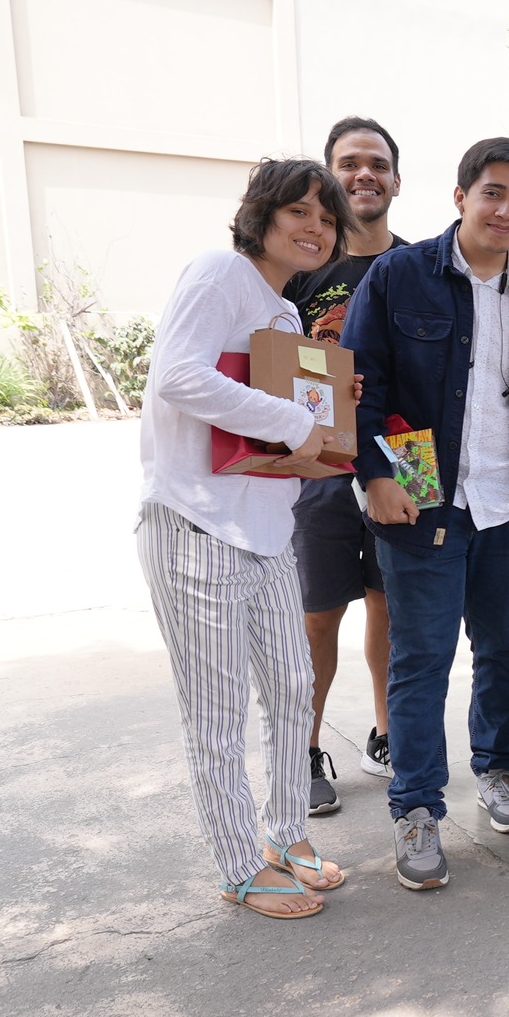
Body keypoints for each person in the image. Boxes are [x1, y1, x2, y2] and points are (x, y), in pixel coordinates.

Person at [345, 137, 509, 890]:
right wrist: (376, 475)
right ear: (461, 196)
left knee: (501, 648)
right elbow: (359, 382)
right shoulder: (399, 276)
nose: (506, 210)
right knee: (421, 658)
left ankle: (496, 767)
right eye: (493, 193)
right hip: (421, 499)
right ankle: (417, 805)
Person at [138, 157, 354, 918]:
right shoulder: (219, 273)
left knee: (294, 688)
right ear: (261, 215)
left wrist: (328, 420)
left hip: (267, 531)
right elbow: (178, 376)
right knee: (218, 710)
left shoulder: (287, 316)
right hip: (195, 523)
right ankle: (237, 865)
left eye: (327, 218)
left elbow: (269, 438)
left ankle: (285, 835)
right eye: (300, 211)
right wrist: (297, 419)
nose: (315, 227)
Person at [282, 117, 407, 808]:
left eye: (378, 164)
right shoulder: (301, 270)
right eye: (350, 163)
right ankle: (303, 748)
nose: (365, 174)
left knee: (393, 606)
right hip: (320, 464)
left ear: (397, 180)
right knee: (318, 615)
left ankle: (388, 734)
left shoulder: (423, 266)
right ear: (331, 178)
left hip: (404, 458)